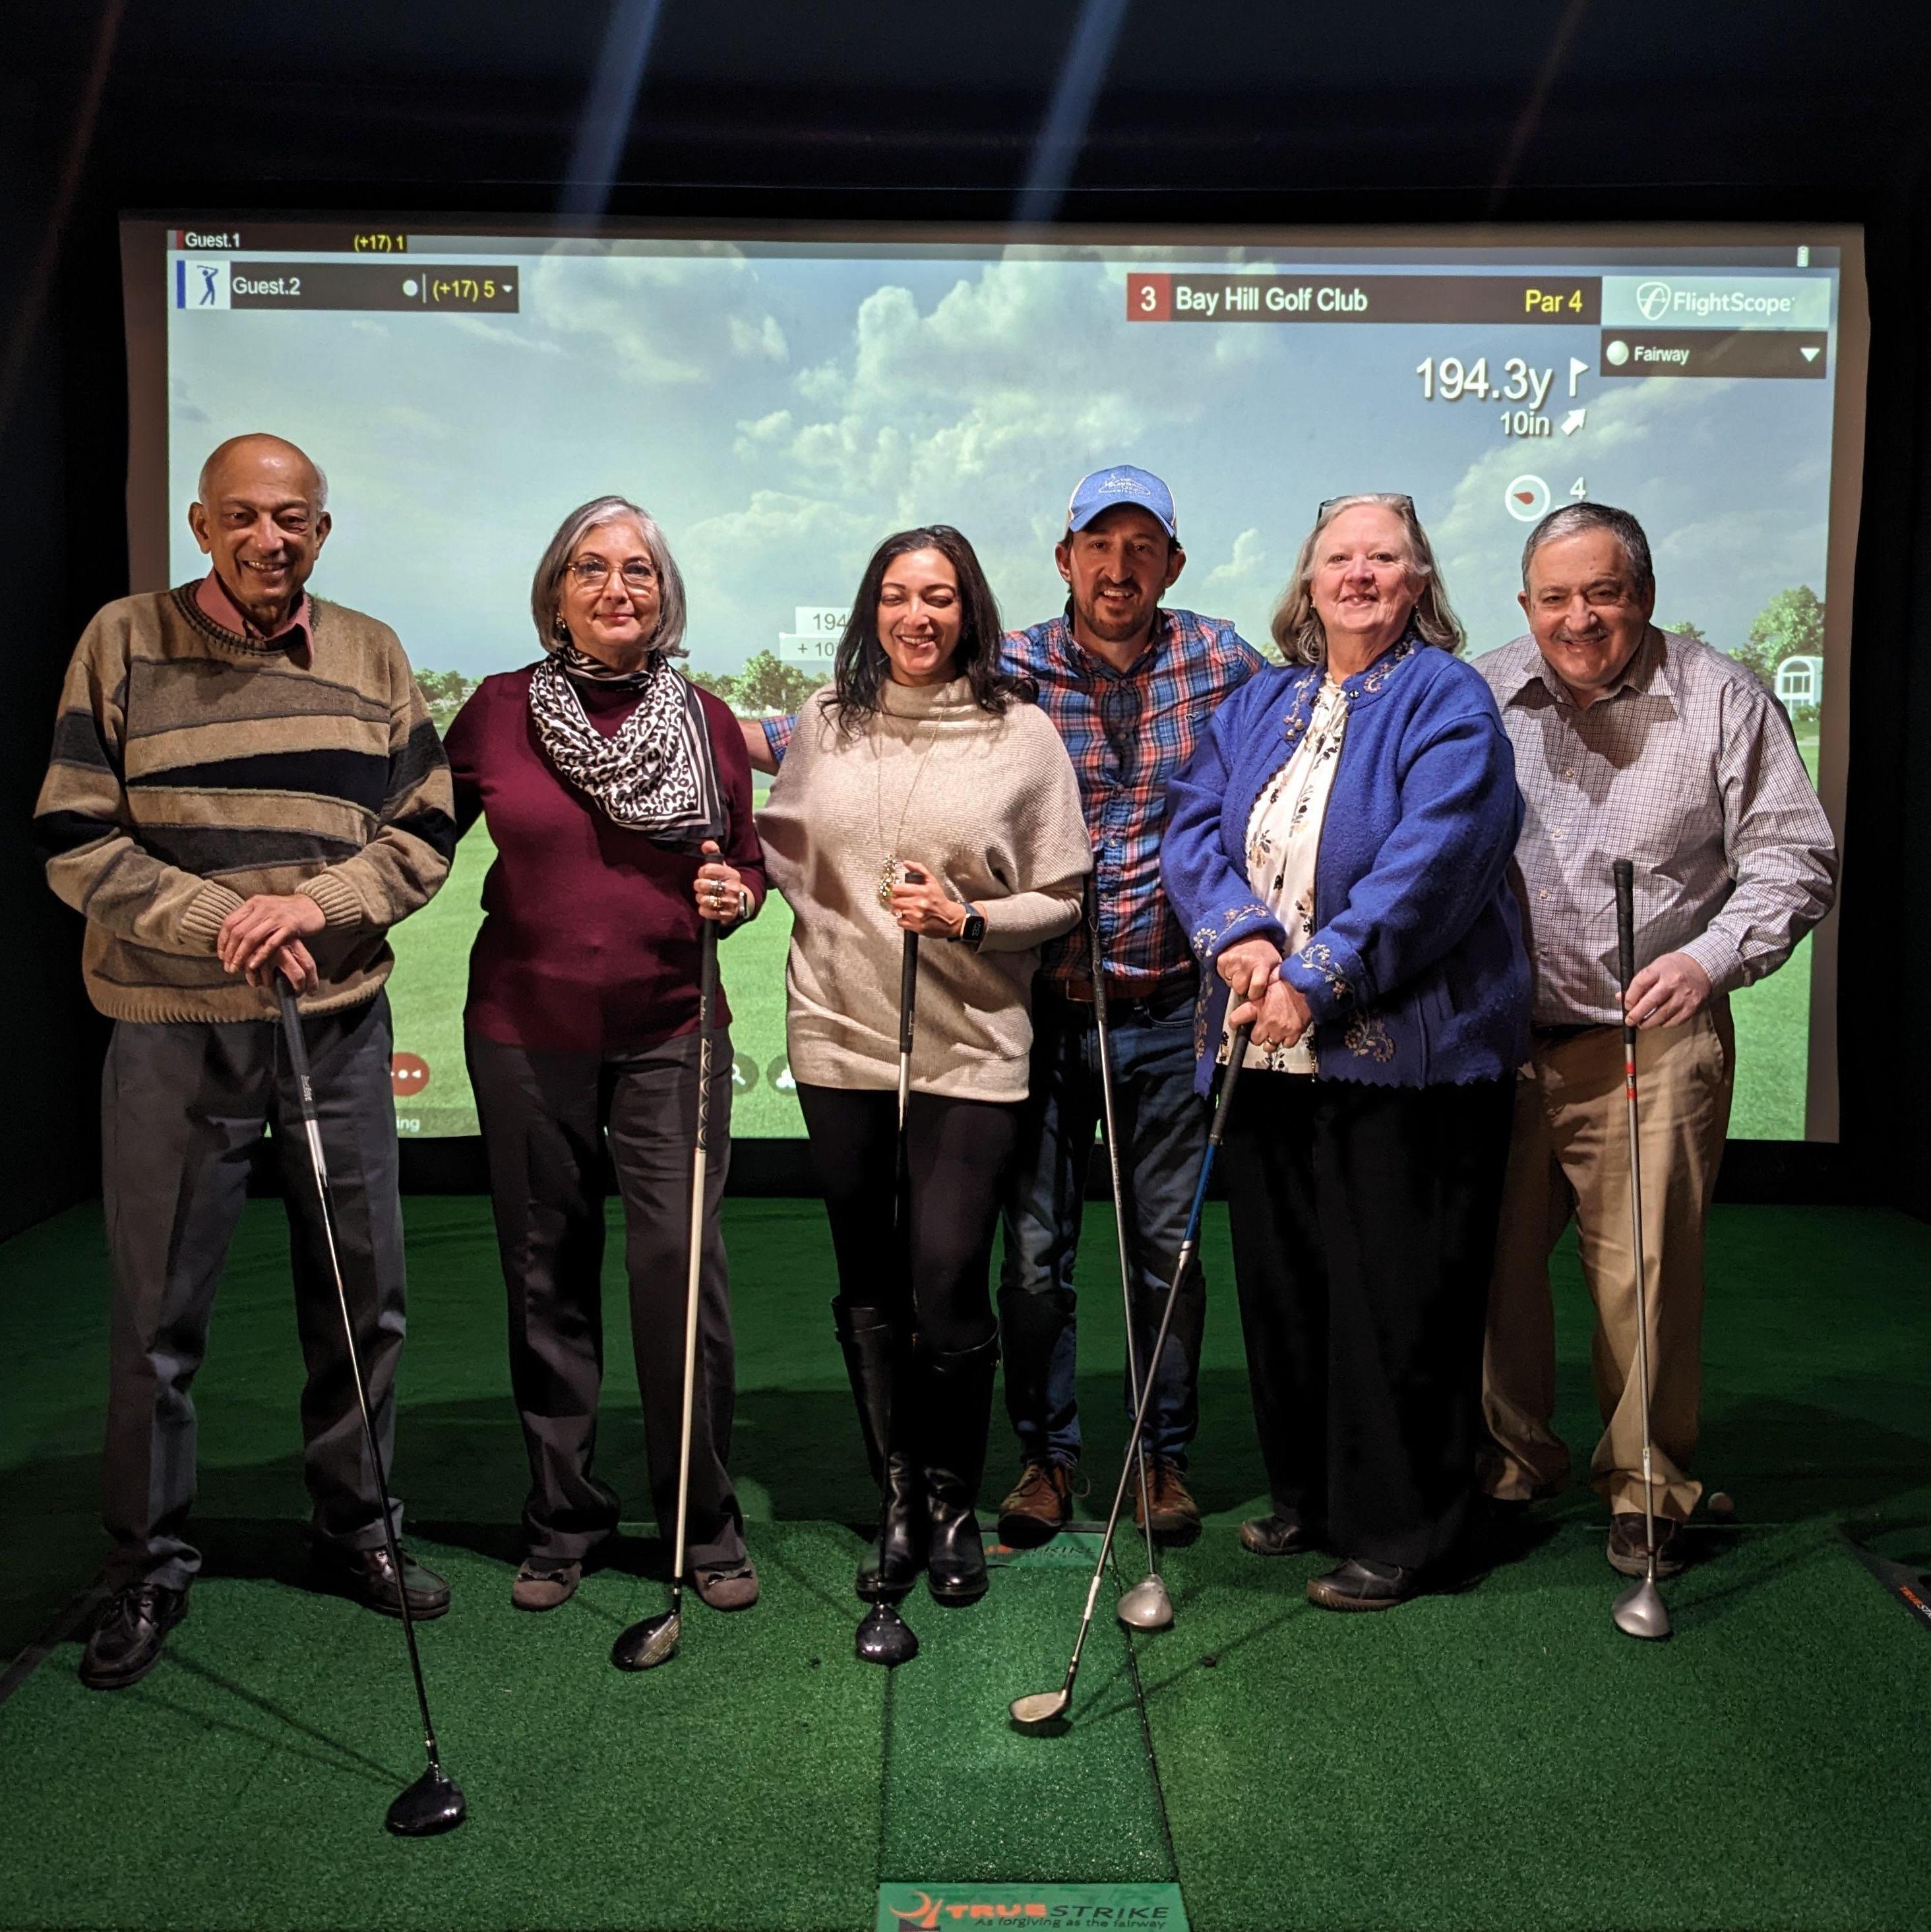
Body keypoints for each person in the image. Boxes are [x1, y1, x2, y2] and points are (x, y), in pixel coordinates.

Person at [745, 466, 1264, 1548]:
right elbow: (818, 777)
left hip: (1163, 1006)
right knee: (1032, 1261)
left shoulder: (1221, 664)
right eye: (1097, 546)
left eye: (1141, 548)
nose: (1118, 568)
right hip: (1042, 1012)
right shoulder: (1006, 668)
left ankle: (1162, 1459)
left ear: (1172, 561)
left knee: (1162, 1251)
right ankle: (1044, 1458)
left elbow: (1306, 733)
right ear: (1066, 556)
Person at [35, 433, 456, 1689]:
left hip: (334, 1026)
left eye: (295, 519)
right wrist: (219, 922)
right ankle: (148, 1565)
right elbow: (72, 832)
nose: (270, 539)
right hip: (174, 1034)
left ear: (322, 530)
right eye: (243, 518)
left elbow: (424, 829)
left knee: (362, 1295)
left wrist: (318, 906)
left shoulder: (372, 650)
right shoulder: (122, 639)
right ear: (202, 523)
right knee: (158, 1319)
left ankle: (358, 1530)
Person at [1161, 493, 1530, 1610]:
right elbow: (1191, 824)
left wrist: (1318, 978)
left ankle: (1414, 1528)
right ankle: (1315, 1493)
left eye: (1383, 557)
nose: (1359, 574)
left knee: (1397, 1297)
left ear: (1418, 580)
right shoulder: (1259, 699)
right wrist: (1239, 941)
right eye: (1338, 557)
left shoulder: (1447, 698)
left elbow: (1436, 859)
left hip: (1405, 1064)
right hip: (1261, 1051)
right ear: (1307, 581)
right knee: (1291, 1286)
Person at [1476, 502, 1837, 1577]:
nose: (1579, 618)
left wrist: (1708, 960)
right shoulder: (1482, 690)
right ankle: (1510, 1462)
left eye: (1604, 593)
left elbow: (1793, 860)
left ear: (1644, 593)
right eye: (1555, 597)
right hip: (1499, 1037)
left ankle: (1645, 1485)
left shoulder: (1722, 699)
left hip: (1649, 1038)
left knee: (1643, 1274)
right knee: (1493, 1271)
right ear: (1526, 603)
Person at [756, 526, 1089, 1623]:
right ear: (871, 609)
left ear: (969, 610)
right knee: (869, 1279)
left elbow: (1063, 894)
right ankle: (895, 1496)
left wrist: (971, 917)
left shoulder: (1022, 732)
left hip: (971, 1046)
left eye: (938, 596)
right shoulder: (826, 724)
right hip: (838, 1036)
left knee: (947, 1277)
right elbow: (784, 856)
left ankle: (950, 1498)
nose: (917, 616)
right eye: (897, 595)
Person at [443, 497, 765, 1615]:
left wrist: (740, 892)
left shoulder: (710, 721)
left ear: (664, 594)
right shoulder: (493, 713)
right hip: (525, 1038)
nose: (617, 586)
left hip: (675, 1031)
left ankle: (702, 1518)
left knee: (681, 1279)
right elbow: (415, 841)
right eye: (592, 568)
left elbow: (751, 866)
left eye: (638, 569)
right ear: (556, 591)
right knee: (546, 1281)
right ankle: (563, 1516)